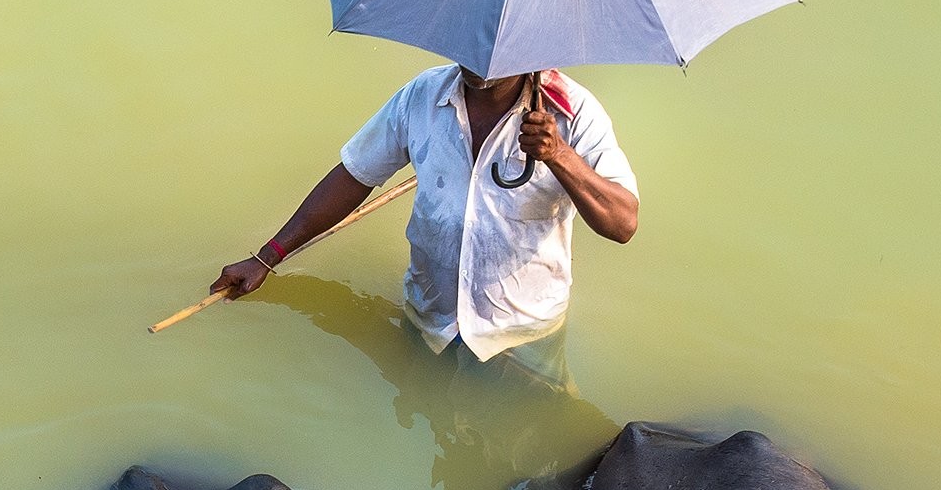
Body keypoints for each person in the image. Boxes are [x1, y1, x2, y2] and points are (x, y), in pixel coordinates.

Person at [215, 65, 637, 389]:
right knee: (424, 417)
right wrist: (267, 257)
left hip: (521, 334)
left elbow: (622, 223)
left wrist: (560, 155)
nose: (479, 58)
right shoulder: (423, 96)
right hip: (430, 317)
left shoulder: (573, 112)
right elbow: (354, 176)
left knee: (523, 448)